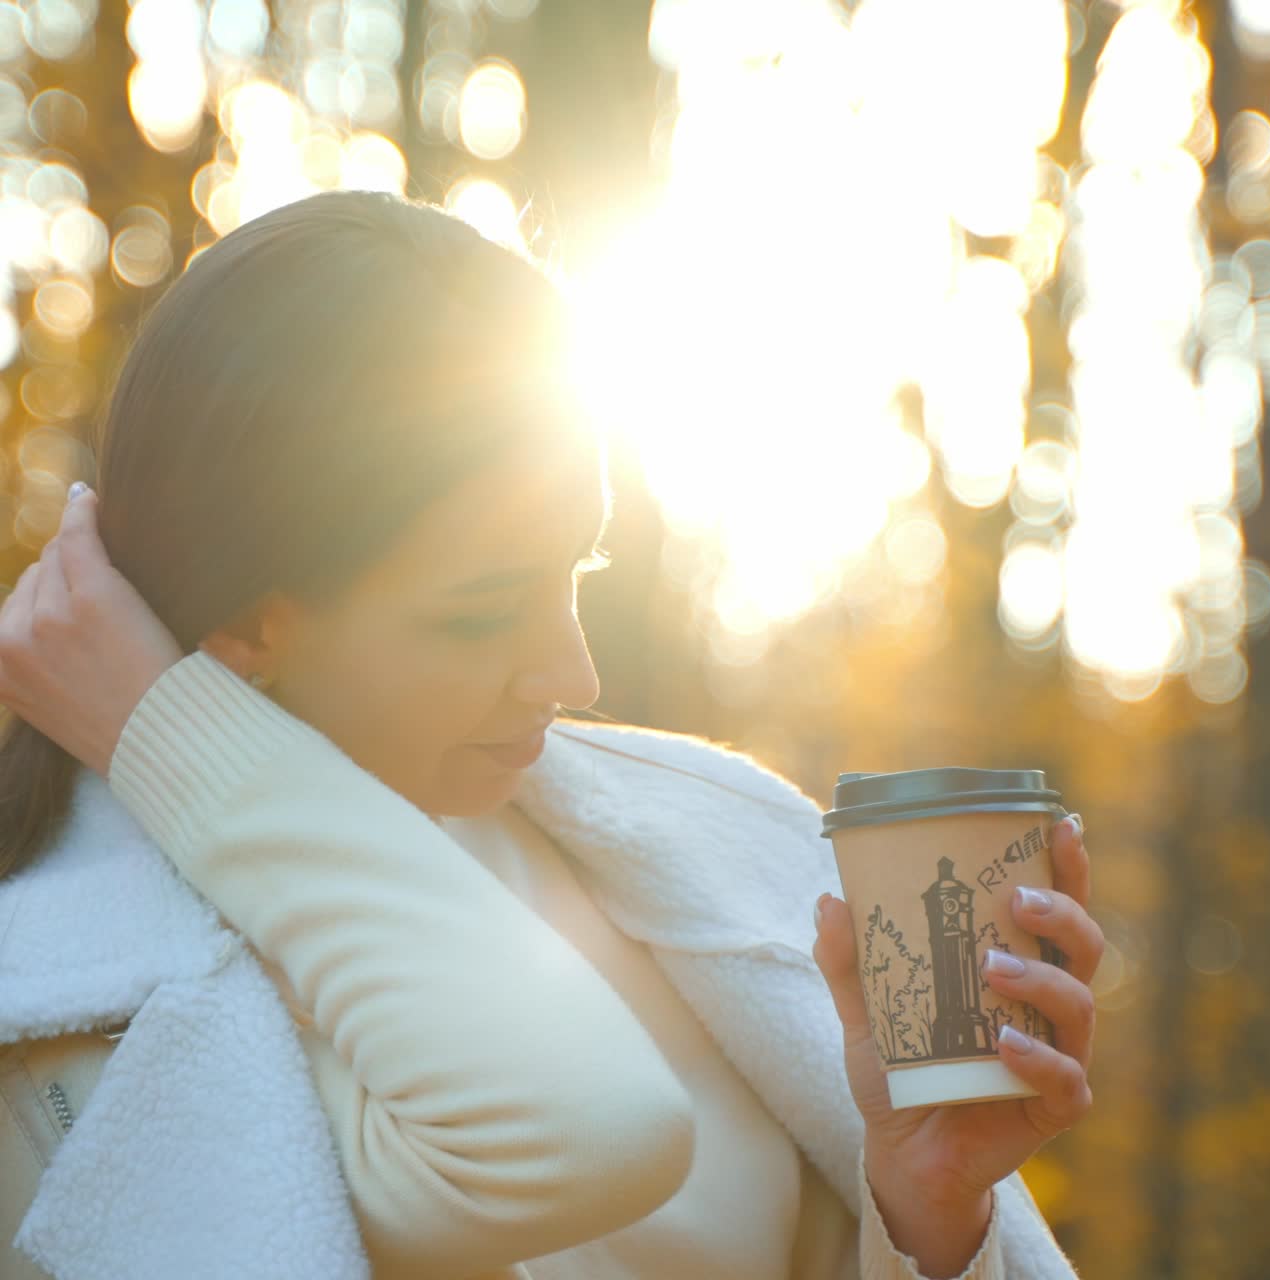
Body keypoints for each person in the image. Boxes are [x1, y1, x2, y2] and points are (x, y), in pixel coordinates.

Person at [0, 191, 1101, 1280]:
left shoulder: (712, 847)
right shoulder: (76, 1028)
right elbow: (594, 1125)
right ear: (249, 618)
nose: (576, 676)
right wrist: (168, 729)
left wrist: (926, 1216)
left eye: (579, 569)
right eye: (481, 610)